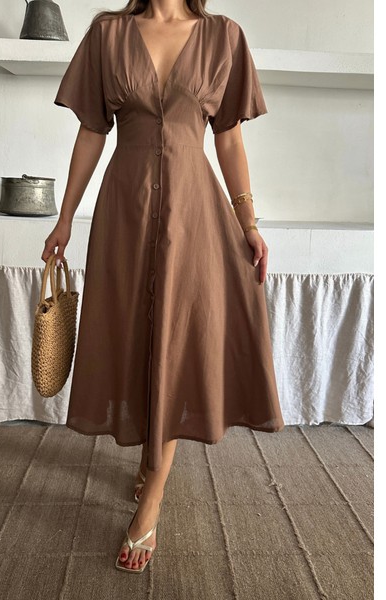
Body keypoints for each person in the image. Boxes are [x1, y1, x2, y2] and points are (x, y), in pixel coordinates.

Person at [42, 0, 285, 573]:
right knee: (134, 335)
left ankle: (152, 495)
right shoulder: (109, 34)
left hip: (193, 213)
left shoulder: (223, 37)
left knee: (175, 339)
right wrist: (64, 218)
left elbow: (228, 139)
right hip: (124, 211)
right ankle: (148, 456)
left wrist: (249, 223)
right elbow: (91, 132)